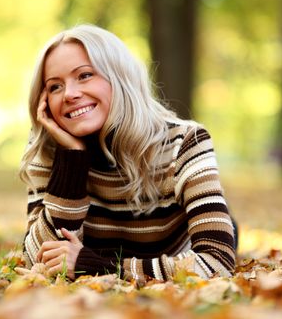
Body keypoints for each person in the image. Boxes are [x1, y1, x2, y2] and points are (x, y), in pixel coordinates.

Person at [20, 24, 236, 285]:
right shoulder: (51, 151)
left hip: (176, 249)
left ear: (119, 77)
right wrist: (72, 159)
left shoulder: (185, 142)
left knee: (226, 229)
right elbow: (39, 261)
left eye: (85, 75)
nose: (70, 94)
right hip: (146, 264)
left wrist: (96, 266)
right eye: (55, 87)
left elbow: (216, 262)